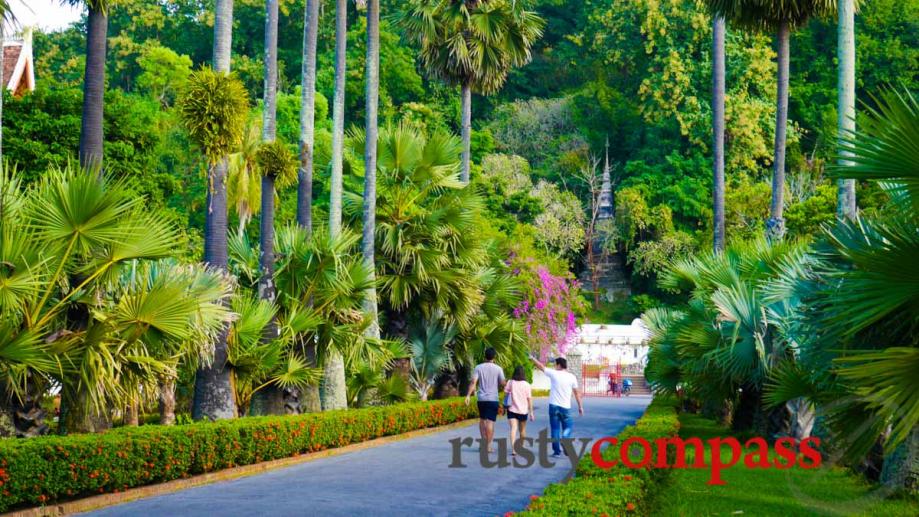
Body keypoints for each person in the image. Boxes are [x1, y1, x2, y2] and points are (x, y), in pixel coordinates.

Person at [530, 354, 583, 457]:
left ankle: (557, 452)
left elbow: (541, 366)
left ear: (559, 365)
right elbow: (577, 393)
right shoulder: (572, 377)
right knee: (568, 427)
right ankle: (565, 439)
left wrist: (532, 358)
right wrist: (580, 406)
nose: (554, 366)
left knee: (555, 429)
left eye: (555, 365)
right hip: (565, 407)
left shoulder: (554, 373)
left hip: (554, 406)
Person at [465, 347, 505, 453]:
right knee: (490, 422)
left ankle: (483, 443)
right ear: (494, 357)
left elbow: (473, 382)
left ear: (485, 356)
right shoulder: (498, 369)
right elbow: (503, 383)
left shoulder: (478, 367)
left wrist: (468, 395)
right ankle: (488, 446)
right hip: (493, 399)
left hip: (481, 399)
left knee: (482, 420)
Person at [504, 365, 534, 456]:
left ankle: (514, 449)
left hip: (511, 409)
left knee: (513, 428)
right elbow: (529, 399)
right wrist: (531, 412)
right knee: (522, 430)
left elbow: (505, 394)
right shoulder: (527, 385)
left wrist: (505, 405)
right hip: (523, 411)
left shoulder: (510, 382)